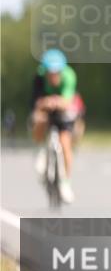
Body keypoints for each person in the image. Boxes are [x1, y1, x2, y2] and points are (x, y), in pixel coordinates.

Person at [30, 48, 78, 203]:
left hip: (63, 109)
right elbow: (36, 102)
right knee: (39, 119)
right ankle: (39, 151)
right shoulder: (39, 76)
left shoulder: (69, 76)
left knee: (65, 143)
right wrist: (45, 103)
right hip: (44, 106)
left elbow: (68, 101)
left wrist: (57, 102)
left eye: (56, 73)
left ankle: (65, 183)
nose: (53, 76)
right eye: (50, 73)